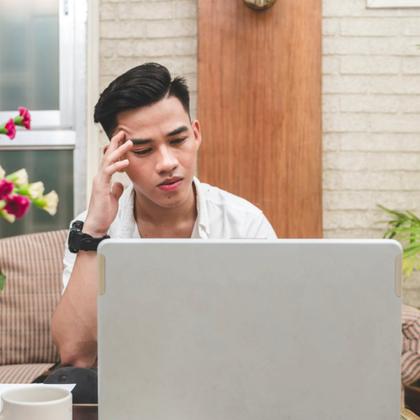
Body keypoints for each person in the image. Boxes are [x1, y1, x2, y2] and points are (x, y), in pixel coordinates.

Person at [51, 62, 277, 369]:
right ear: (115, 158)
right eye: (143, 150)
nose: (167, 163)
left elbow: (273, 338)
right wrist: (94, 232)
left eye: (177, 140)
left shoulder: (245, 224)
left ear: (196, 134)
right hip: (128, 387)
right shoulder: (90, 230)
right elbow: (76, 356)